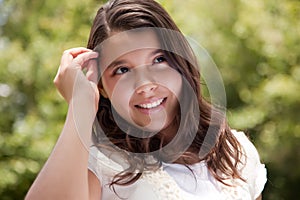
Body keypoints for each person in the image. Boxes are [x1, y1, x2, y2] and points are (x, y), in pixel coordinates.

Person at [25, 0, 267, 199]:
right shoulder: (100, 167)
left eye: (159, 60)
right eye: (122, 70)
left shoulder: (235, 151)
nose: (145, 84)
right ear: (103, 87)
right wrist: (80, 106)